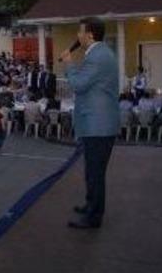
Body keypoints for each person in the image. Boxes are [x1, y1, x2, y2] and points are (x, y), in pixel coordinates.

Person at [60, 17, 119, 229]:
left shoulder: (97, 57)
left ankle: (94, 217)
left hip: (98, 125)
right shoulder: (98, 54)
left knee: (95, 172)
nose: (77, 36)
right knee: (91, 170)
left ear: (90, 35)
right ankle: (90, 204)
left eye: (80, 31)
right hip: (96, 124)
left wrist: (68, 63)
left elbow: (79, 84)